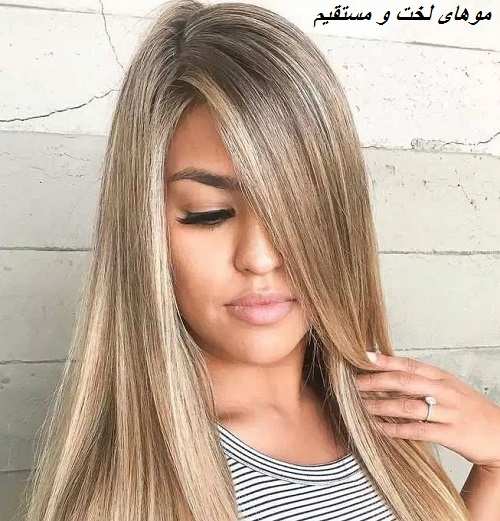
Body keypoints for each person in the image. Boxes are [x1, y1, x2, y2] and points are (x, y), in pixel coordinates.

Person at [22, 1, 499, 520]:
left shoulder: (377, 420)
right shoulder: (140, 495)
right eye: (208, 214)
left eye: (294, 209)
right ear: (144, 234)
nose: (261, 257)